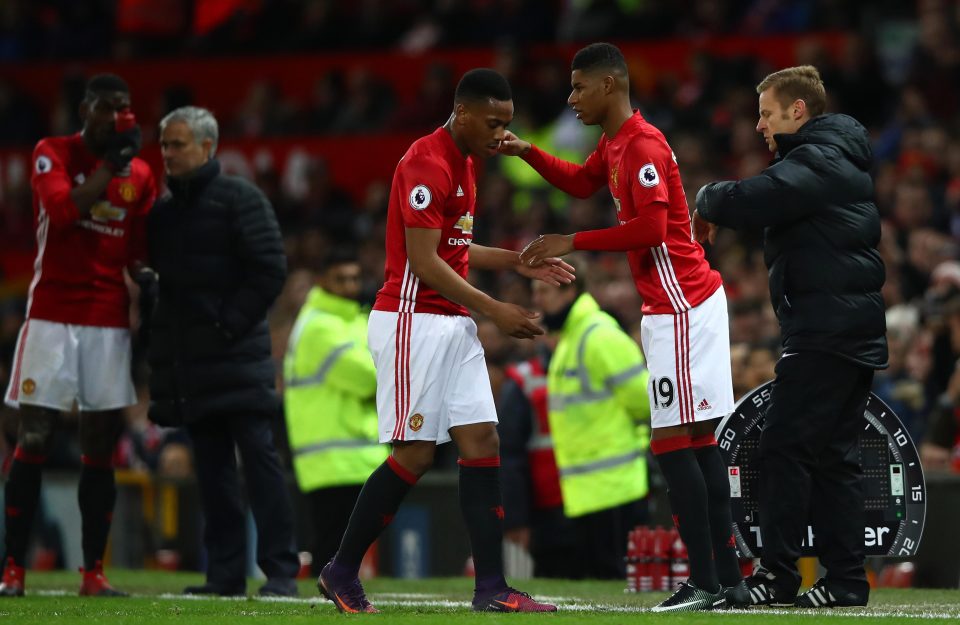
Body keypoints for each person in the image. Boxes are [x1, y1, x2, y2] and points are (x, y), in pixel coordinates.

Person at [499, 43, 748, 611]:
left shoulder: (641, 146)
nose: (572, 98)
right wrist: (526, 152)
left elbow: (654, 228)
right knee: (701, 441)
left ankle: (706, 581)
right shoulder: (615, 143)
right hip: (680, 303)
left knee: (670, 441)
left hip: (681, 304)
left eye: (579, 87)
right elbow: (584, 184)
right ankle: (726, 579)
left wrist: (574, 241)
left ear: (609, 85)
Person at [317, 68, 570, 614]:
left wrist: (518, 262)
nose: (502, 133)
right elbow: (425, 263)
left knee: (482, 440)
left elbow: (455, 247)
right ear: (462, 112)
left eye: (508, 123)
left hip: (451, 322)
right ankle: (341, 569)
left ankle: (492, 589)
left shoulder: (466, 161)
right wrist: (496, 309)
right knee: (414, 453)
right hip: (412, 319)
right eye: (493, 122)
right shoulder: (425, 163)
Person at [694, 65, 888, 608]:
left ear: (797, 111)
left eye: (767, 113)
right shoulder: (833, 158)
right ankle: (846, 581)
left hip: (825, 330)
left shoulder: (816, 160)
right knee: (832, 458)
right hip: (846, 329)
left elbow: (760, 197)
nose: (759, 125)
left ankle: (777, 576)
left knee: (783, 447)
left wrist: (706, 199)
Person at [1, 74, 154, 597]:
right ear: (86, 109)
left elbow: (135, 246)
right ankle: (13, 570)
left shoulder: (141, 174)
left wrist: (145, 276)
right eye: (109, 107)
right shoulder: (53, 152)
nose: (119, 117)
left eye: (126, 107)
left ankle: (93, 572)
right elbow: (64, 214)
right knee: (36, 437)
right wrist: (110, 166)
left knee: (99, 448)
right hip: (50, 316)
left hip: (107, 323)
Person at [145, 106, 300, 597]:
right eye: (165, 144)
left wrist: (228, 325)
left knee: (260, 464)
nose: (168, 153)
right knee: (212, 472)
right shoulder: (164, 214)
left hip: (236, 356)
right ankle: (225, 574)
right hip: (193, 365)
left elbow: (271, 269)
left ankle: (279, 572)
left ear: (208, 147)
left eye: (178, 144)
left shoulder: (239, 198)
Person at [530, 259, 651, 579]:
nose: (538, 300)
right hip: (590, 491)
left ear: (570, 290)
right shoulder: (573, 337)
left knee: (613, 591)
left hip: (614, 491)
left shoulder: (598, 336)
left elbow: (646, 403)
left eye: (545, 290)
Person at [283, 247, 387, 575]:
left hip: (354, 457)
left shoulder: (352, 320)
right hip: (331, 461)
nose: (349, 286)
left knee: (346, 552)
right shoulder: (319, 327)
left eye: (355, 278)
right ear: (322, 280)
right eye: (340, 279)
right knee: (332, 547)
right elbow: (369, 378)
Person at [498, 342, 579, 579]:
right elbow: (509, 454)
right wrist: (516, 519)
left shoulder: (597, 370)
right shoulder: (525, 380)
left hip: (594, 499)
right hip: (549, 508)